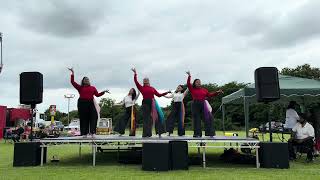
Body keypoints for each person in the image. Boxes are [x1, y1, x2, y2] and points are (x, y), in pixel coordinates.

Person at [68, 67, 109, 138]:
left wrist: (103, 92)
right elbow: (72, 82)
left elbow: (97, 95)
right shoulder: (80, 87)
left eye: (87, 79)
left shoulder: (93, 88)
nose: (86, 80)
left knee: (94, 116)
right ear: (83, 81)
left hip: (90, 103)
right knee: (84, 118)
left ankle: (93, 132)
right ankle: (84, 133)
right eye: (85, 80)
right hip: (82, 103)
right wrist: (72, 73)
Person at [132, 68, 171, 137]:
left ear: (149, 81)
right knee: (146, 118)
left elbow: (158, 95)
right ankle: (146, 134)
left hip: (153, 102)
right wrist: (135, 73)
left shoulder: (152, 88)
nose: (145, 81)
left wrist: (166, 92)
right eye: (144, 80)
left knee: (158, 116)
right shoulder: (141, 87)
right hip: (145, 103)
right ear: (143, 82)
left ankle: (159, 132)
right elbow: (135, 81)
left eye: (146, 80)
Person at [186, 71, 223, 137]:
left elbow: (210, 95)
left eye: (200, 82)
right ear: (194, 83)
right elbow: (188, 84)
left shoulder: (204, 90)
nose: (199, 83)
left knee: (208, 118)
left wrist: (217, 92)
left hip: (203, 104)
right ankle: (197, 134)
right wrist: (189, 76)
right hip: (195, 104)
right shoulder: (192, 89)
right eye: (197, 82)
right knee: (197, 119)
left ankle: (209, 133)